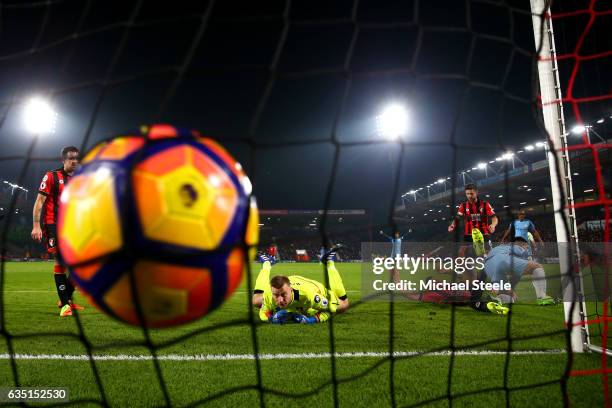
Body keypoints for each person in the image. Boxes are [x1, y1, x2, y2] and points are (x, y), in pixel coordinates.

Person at [31, 146, 84, 317]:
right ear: (63, 160)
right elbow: (39, 202)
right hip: (53, 224)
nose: (74, 161)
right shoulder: (51, 176)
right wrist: (36, 225)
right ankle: (65, 307)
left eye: (77, 158)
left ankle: (65, 299)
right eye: (70, 158)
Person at [252, 247, 349, 324]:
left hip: (314, 288)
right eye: (276, 295)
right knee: (256, 301)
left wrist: (311, 320)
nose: (280, 300)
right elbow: (263, 313)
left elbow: (329, 311)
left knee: (343, 305)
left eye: (283, 295)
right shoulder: (269, 295)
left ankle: (329, 262)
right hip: (290, 283)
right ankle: (267, 263)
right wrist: (271, 319)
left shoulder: (308, 295)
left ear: (290, 290)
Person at [483, 237, 555, 306]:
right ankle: (542, 297)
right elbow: (528, 266)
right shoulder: (516, 247)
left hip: (488, 267)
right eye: (527, 247)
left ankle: (496, 300)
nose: (527, 249)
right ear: (522, 244)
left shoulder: (499, 247)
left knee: (509, 296)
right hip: (501, 260)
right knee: (537, 266)